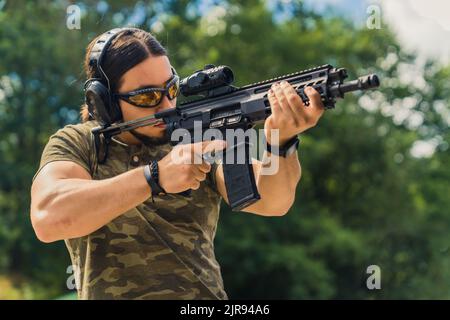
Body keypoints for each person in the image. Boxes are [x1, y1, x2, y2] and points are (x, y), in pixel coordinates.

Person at [30, 28, 325, 299]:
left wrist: (281, 142)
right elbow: (48, 218)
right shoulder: (79, 143)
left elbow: (273, 201)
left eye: (171, 89)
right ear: (103, 100)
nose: (166, 106)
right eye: (147, 96)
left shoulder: (195, 134)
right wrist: (155, 177)